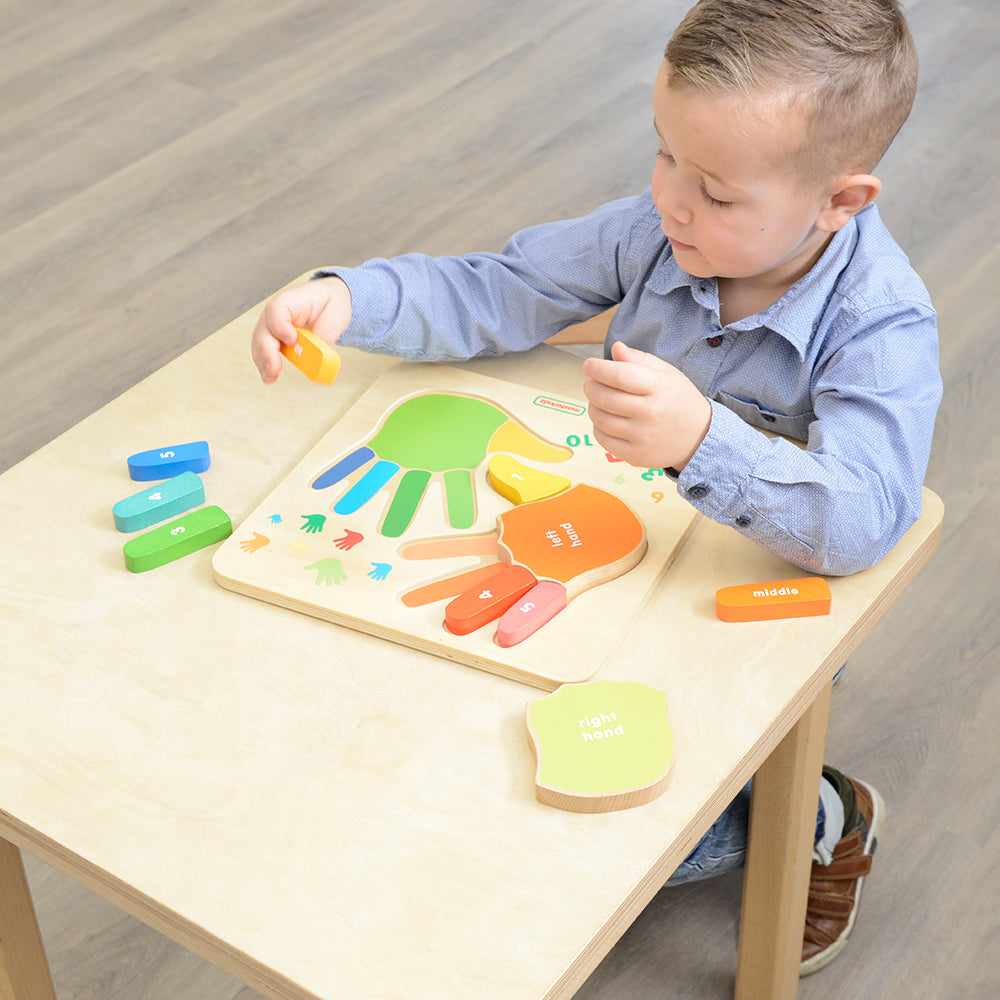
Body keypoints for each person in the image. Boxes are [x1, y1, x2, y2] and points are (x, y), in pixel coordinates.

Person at [252, 0, 941, 975]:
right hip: (610, 558)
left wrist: (701, 437)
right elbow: (498, 289)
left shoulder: (881, 324)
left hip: (747, 615)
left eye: (714, 189)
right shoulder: (655, 232)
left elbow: (865, 517)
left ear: (841, 200)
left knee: (620, 843)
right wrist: (351, 297)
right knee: (489, 736)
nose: (668, 201)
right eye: (662, 154)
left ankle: (813, 809)